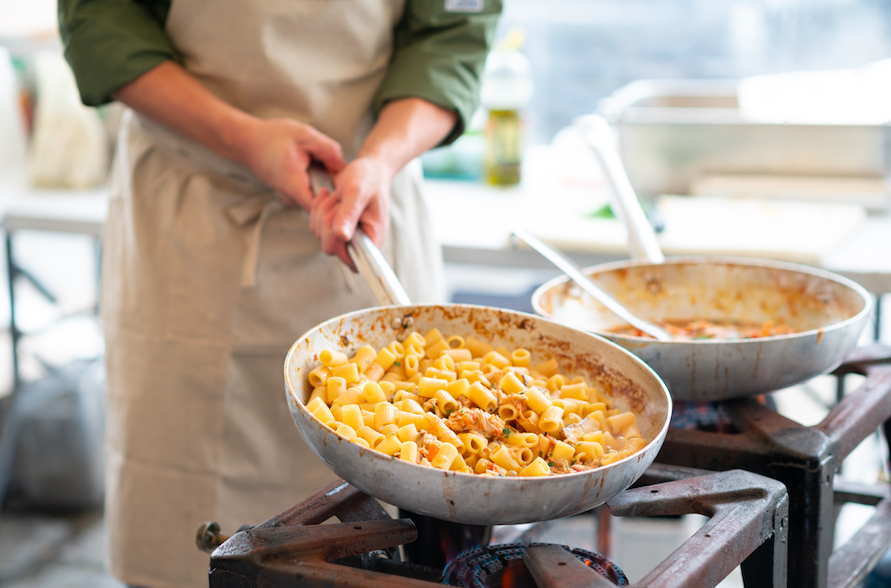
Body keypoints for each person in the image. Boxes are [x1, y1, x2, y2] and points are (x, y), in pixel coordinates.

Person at [57, 1, 502, 586]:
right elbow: (101, 19)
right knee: (179, 534)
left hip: (367, 202)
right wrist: (240, 135)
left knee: (381, 547)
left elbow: (450, 31)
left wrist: (379, 158)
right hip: (193, 216)